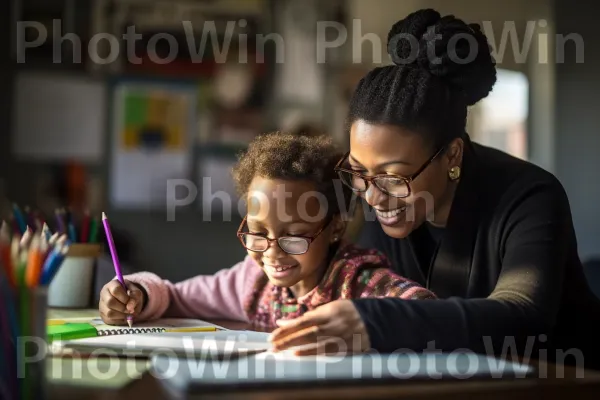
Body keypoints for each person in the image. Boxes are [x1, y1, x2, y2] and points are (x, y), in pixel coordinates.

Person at [268, 9, 600, 369]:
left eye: (394, 176)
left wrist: (378, 321)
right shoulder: (385, 205)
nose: (374, 196)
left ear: (452, 154)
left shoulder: (531, 197)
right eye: (359, 172)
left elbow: (522, 317)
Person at [98, 133, 436, 344]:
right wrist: (137, 294)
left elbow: (427, 311)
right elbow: (172, 297)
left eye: (294, 236)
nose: (272, 253)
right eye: (258, 233)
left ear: (335, 227)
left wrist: (368, 322)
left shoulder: (357, 282)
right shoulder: (251, 280)